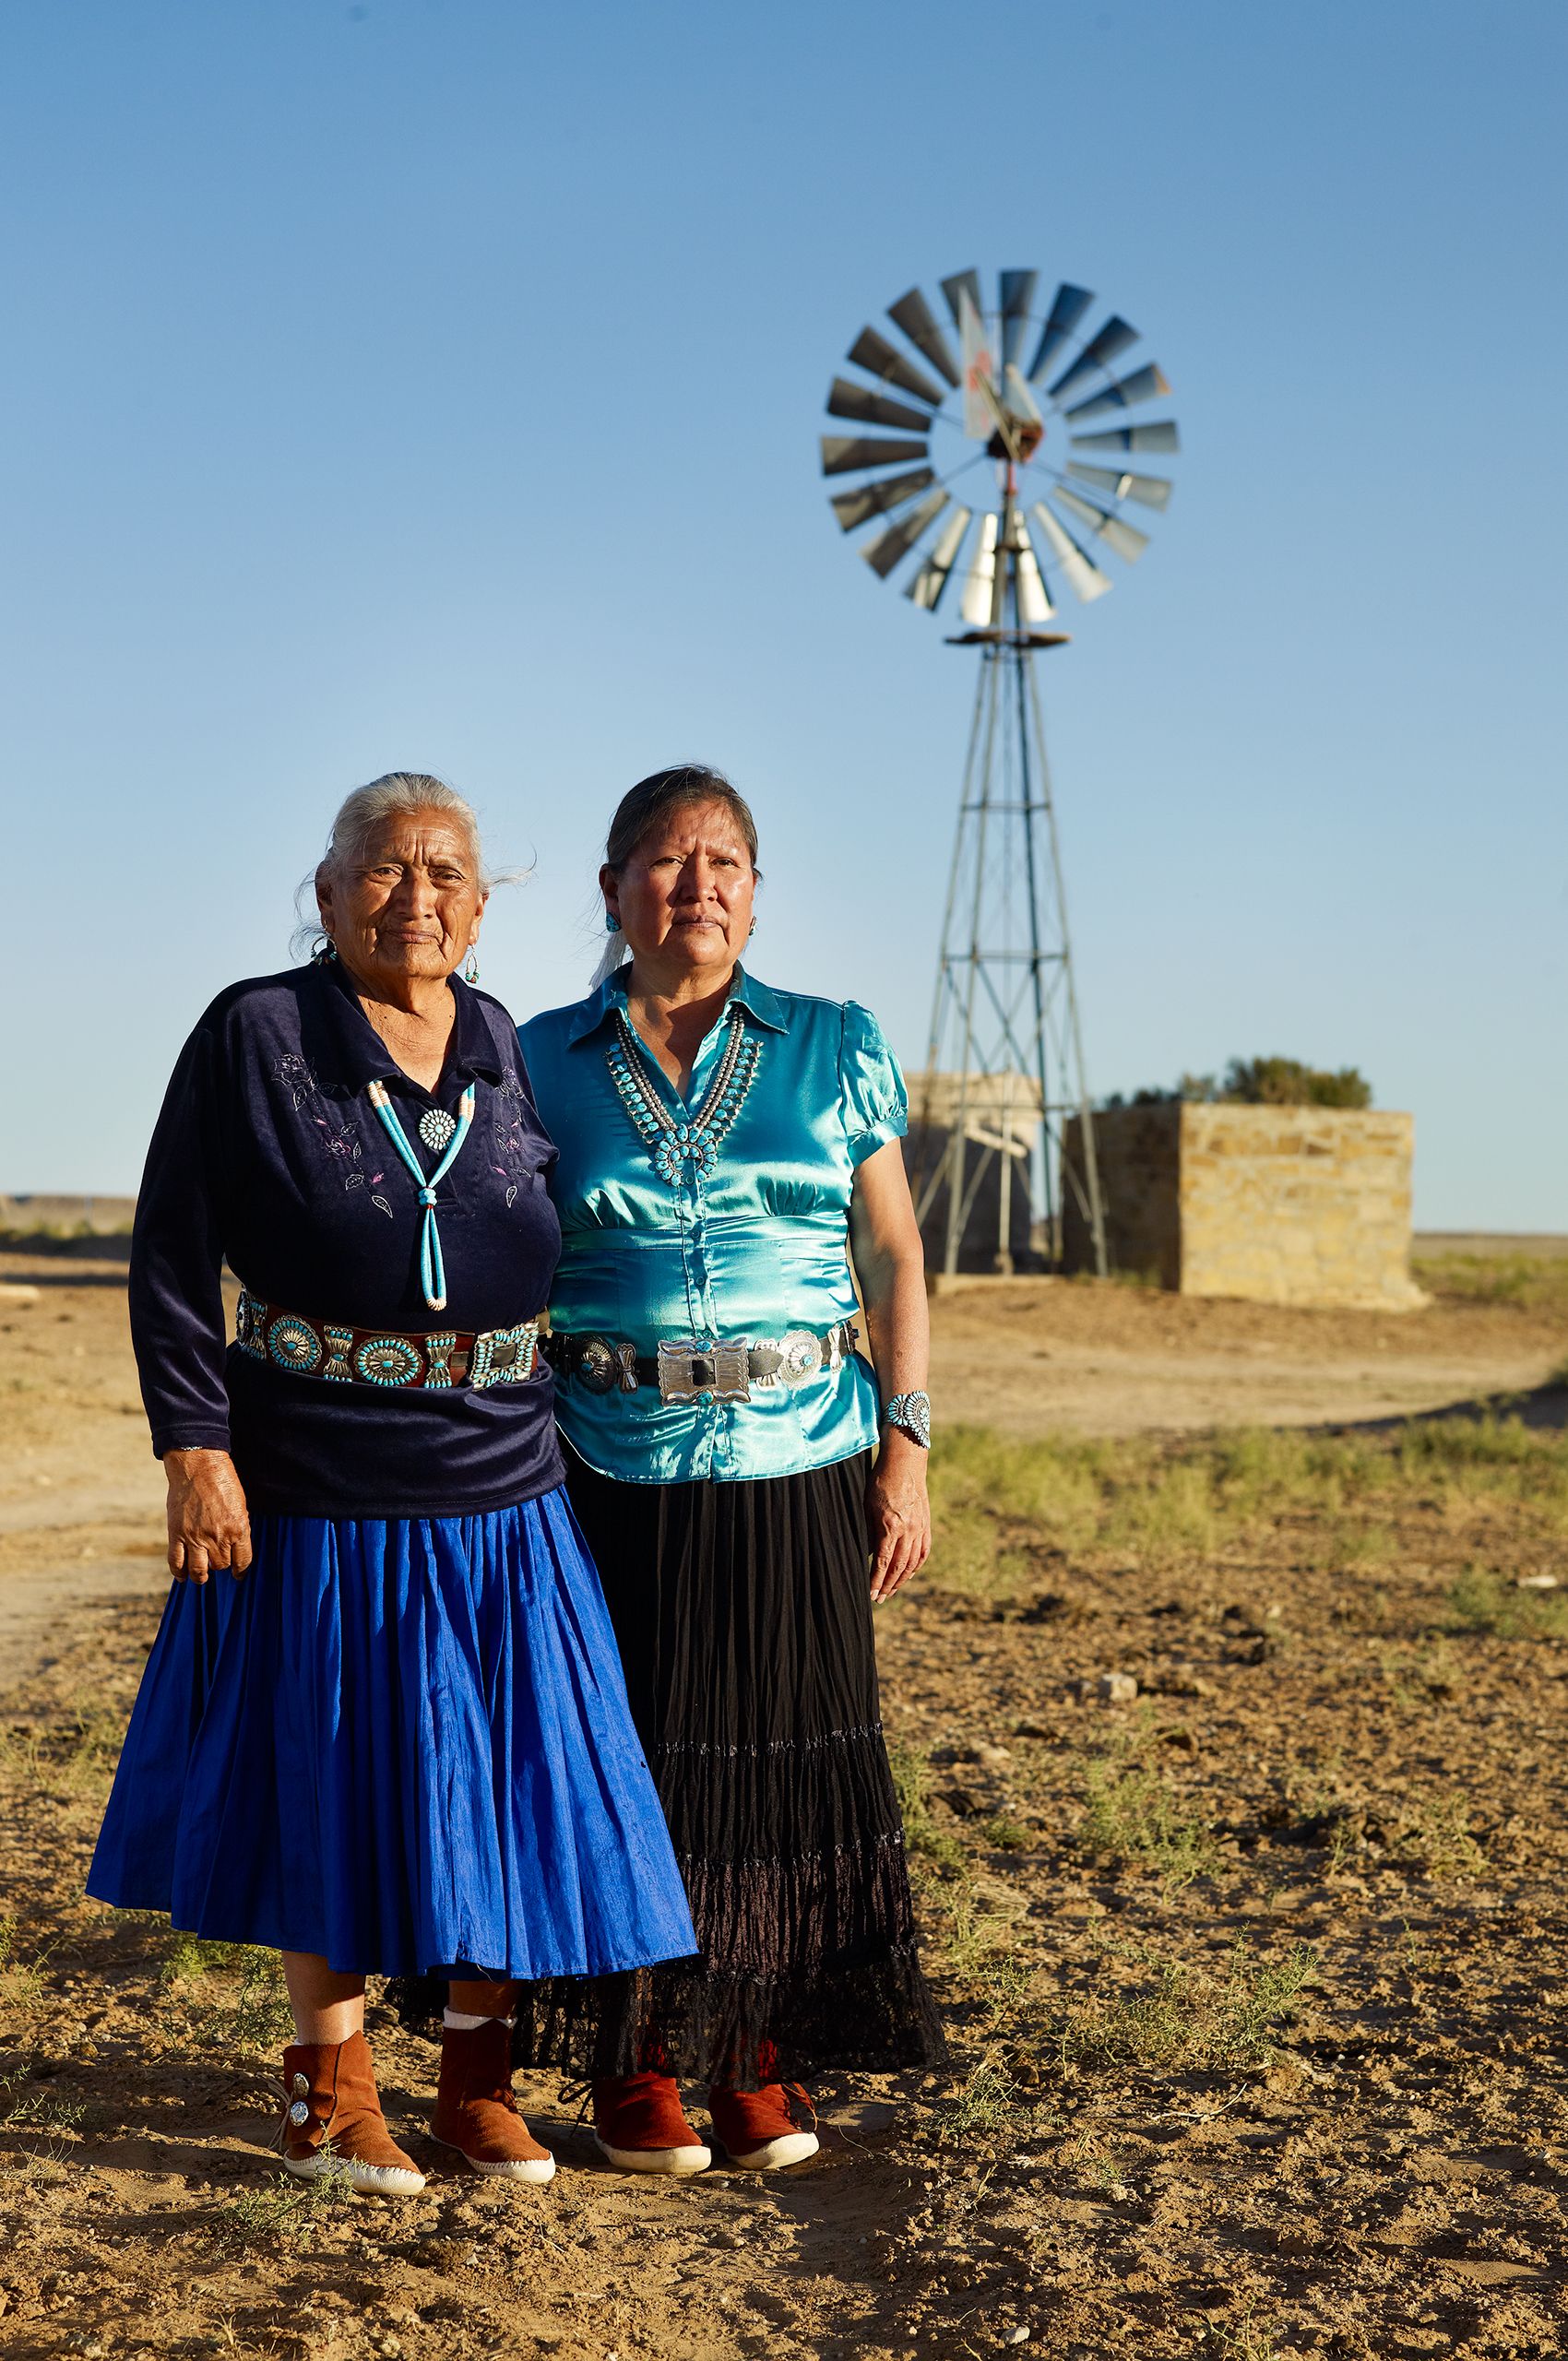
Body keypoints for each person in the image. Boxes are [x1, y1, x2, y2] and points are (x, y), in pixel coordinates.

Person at [89, 771, 696, 2195]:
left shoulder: (494, 1036)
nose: (414, 895)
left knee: (507, 1778)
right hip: (317, 1475)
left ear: (482, 911)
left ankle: (476, 2085)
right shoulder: (256, 1031)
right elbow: (174, 1252)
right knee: (339, 1770)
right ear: (327, 890)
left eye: (444, 876)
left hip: (504, 1475)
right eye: (384, 868)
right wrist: (195, 1446)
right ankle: (330, 2086)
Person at [515, 763, 942, 2177]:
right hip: (604, 1459)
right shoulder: (535, 1061)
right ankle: (633, 2065)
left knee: (787, 1757)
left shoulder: (836, 1042)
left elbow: (893, 1253)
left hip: (805, 1450)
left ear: (755, 894)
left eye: (724, 864)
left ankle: (760, 2062)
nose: (696, 886)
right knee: (627, 1758)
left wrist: (911, 1445)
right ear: (613, 887)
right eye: (665, 860)